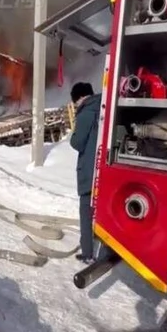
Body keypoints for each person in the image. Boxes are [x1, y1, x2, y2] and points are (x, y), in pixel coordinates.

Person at [68, 82, 102, 263]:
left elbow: (77, 142)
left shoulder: (86, 112)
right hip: (104, 168)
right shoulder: (104, 106)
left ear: (79, 98)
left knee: (86, 210)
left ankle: (87, 252)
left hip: (89, 169)